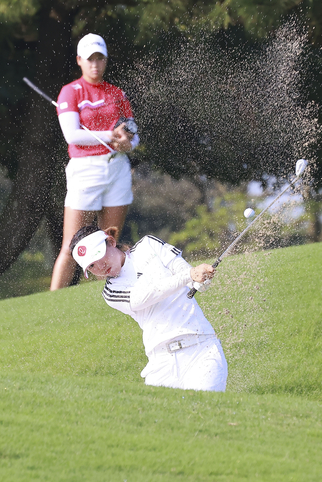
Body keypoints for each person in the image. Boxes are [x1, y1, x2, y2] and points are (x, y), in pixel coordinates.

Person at [70, 225, 228, 392]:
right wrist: (189, 275)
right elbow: (148, 295)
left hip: (202, 350)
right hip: (161, 364)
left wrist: (199, 279)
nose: (100, 267)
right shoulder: (111, 292)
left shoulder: (149, 244)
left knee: (203, 414)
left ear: (111, 241)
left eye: (99, 256)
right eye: (92, 266)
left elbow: (184, 271)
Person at [51, 33, 139, 291]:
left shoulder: (117, 93)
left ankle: (112, 292)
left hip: (117, 167)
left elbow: (133, 134)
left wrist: (128, 143)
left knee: (109, 240)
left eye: (100, 58)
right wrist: (111, 136)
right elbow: (72, 135)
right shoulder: (71, 91)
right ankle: (50, 304)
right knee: (71, 246)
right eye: (90, 59)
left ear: (105, 60)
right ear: (79, 60)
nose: (95, 65)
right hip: (85, 169)